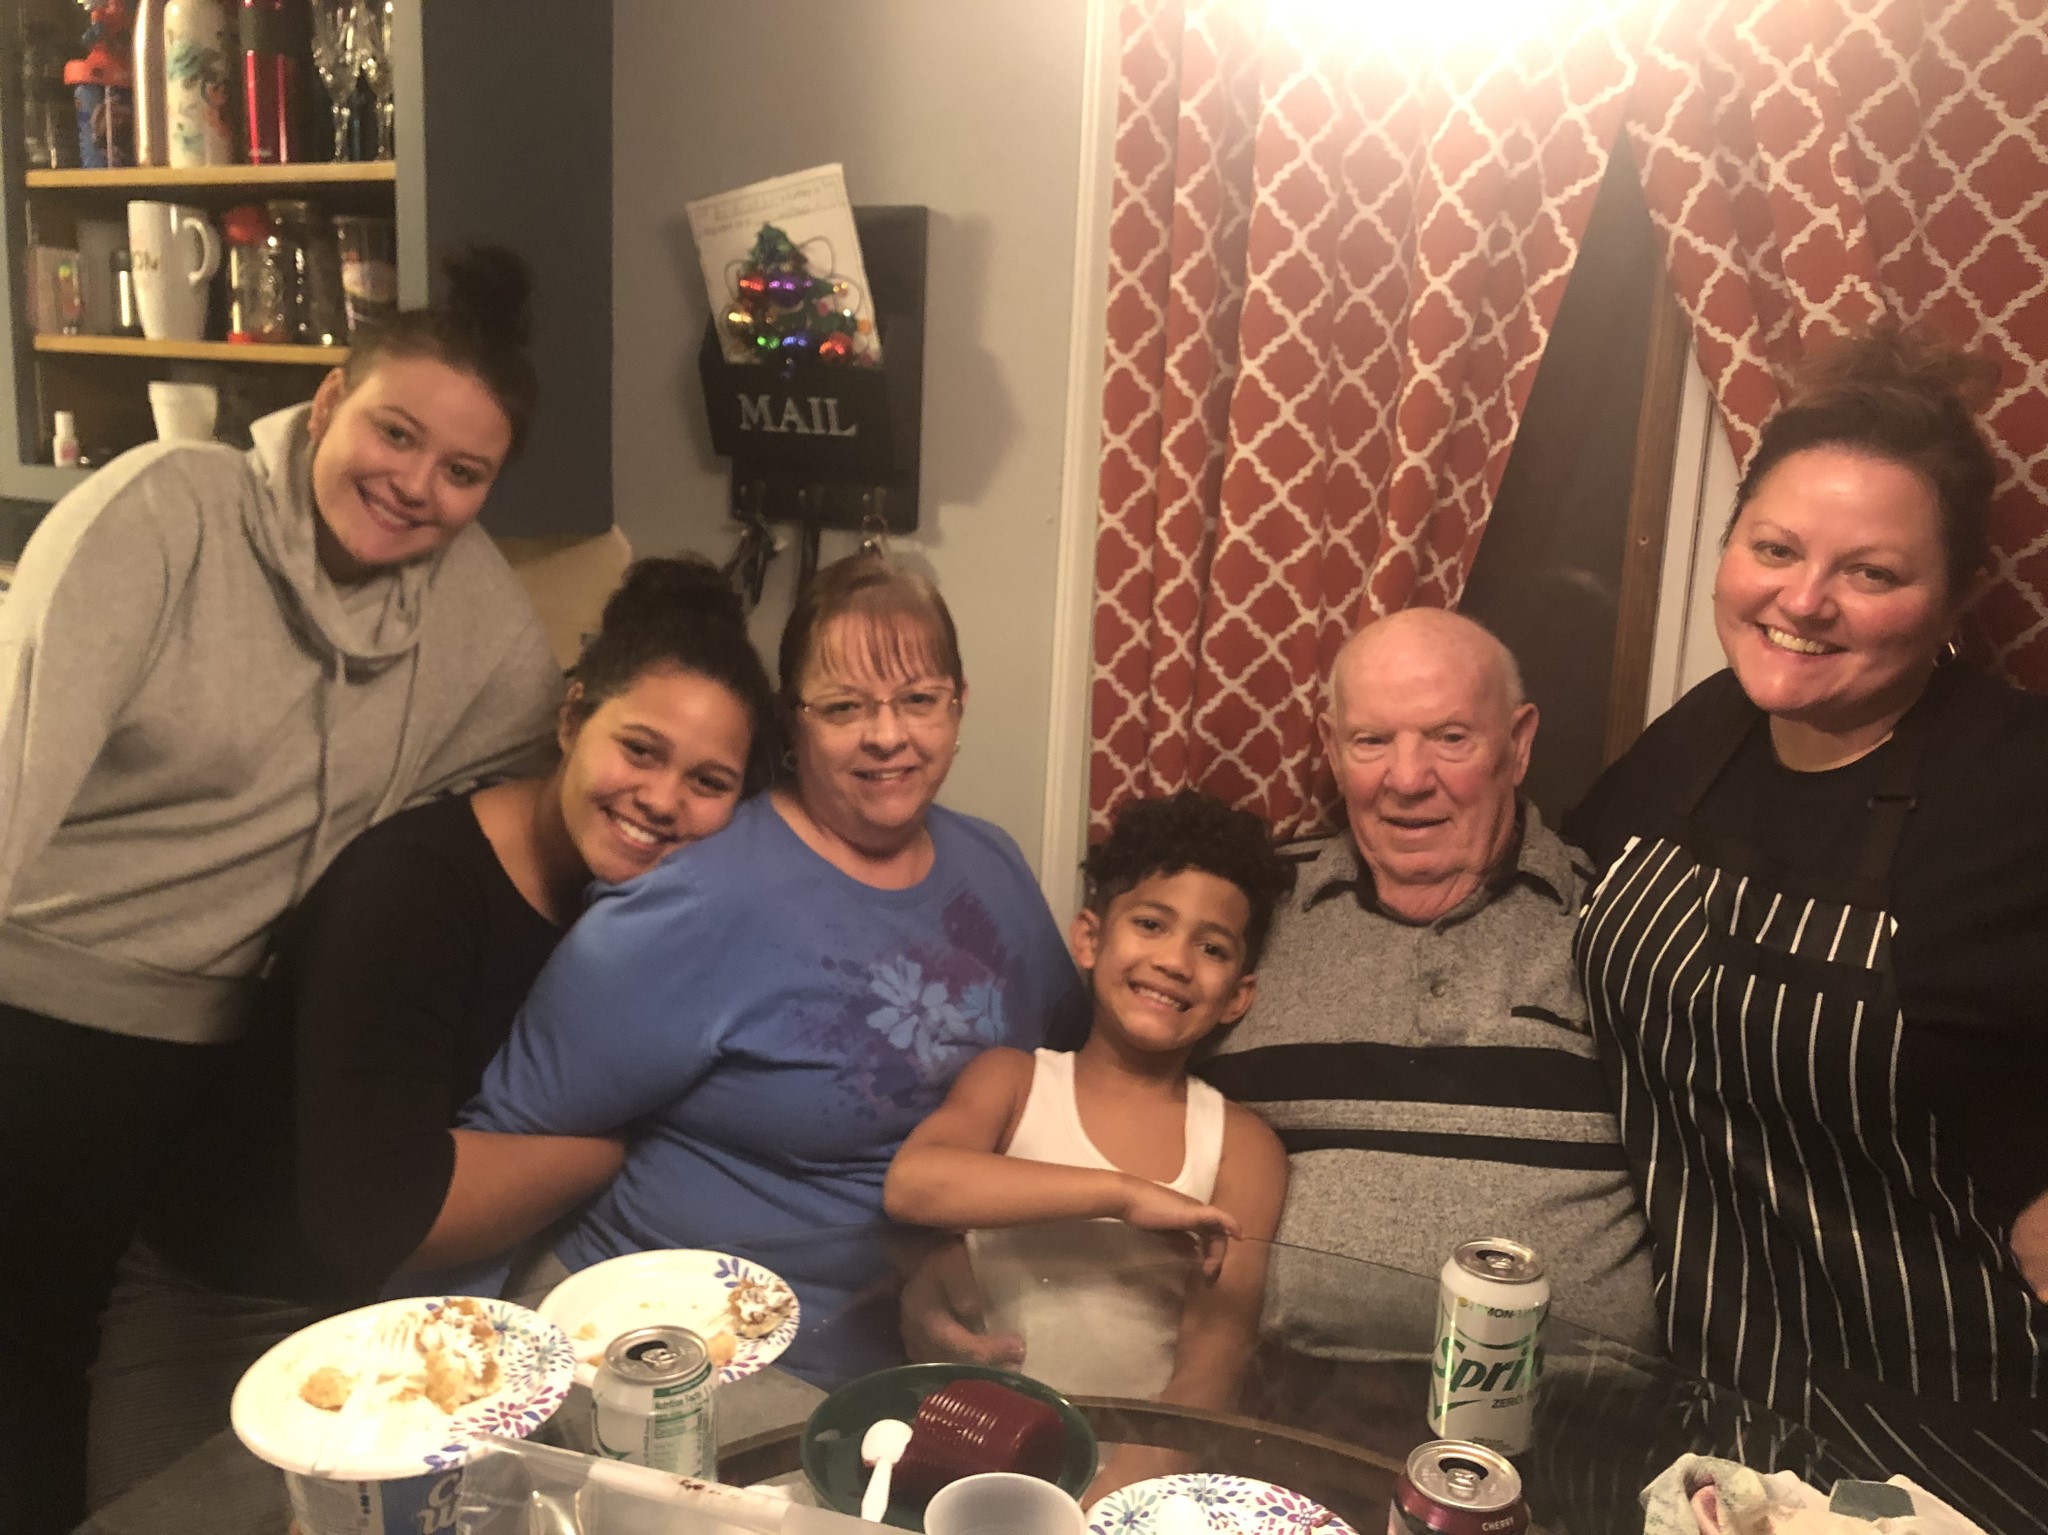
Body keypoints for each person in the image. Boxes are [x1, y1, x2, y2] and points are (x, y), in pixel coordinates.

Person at [0, 247, 564, 1533]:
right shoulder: (169, 511)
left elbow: (573, 774)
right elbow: (15, 764)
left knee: (112, 1407)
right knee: (22, 1374)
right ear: (325, 403)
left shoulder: (473, 613)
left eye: (462, 470)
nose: (415, 484)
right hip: (38, 1029)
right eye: (394, 433)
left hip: (222, 1062)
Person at [75, 556, 778, 1505]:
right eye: (639, 749)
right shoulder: (412, 892)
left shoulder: (648, 917)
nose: (661, 797)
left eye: (708, 780)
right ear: (571, 719)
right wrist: (616, 1150)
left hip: (440, 1324)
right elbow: (377, 1215)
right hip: (237, 1307)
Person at [1565, 325, 2048, 1529]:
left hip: (1940, 1419)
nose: (1801, 601)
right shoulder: (1701, 735)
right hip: (1697, 1391)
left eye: (1869, 572)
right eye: (1772, 547)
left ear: (1953, 597)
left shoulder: (2015, 782)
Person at [463, 550, 1090, 1380]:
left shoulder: (995, 866)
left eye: (918, 699)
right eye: (844, 706)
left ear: (959, 703)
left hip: (928, 1345)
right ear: (793, 723)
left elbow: (1071, 1079)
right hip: (698, 1352)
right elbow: (504, 1142)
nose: (888, 735)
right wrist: (460, 1396)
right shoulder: (692, 902)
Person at [1200, 608, 1659, 1350]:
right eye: (1372, 741)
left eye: (1450, 738)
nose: (1408, 780)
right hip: (1279, 1396)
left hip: (1576, 1406)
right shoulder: (1241, 910)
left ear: (1518, 744)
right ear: (1331, 749)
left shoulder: (1619, 925)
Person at [884, 790, 1293, 1498]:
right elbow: (914, 1184)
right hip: (967, 1458)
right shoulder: (1011, 1082)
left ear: (1238, 994)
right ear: (1089, 938)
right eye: (1151, 924)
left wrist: (1108, 1503)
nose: (1175, 960)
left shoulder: (1243, 1147)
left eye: (1212, 947)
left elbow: (1212, 1362)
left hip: (1132, 1486)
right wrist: (1122, 1195)